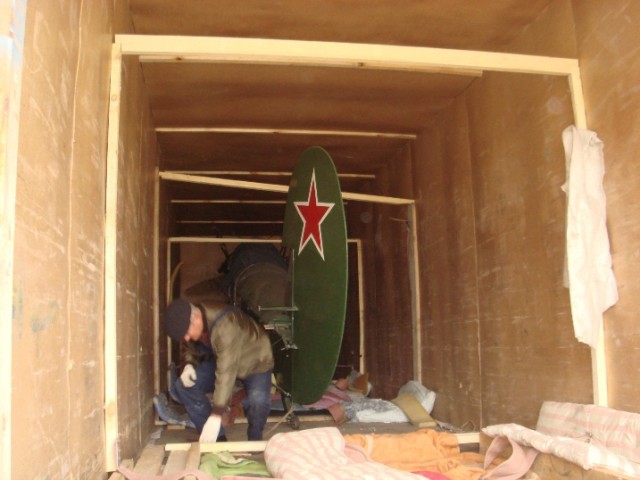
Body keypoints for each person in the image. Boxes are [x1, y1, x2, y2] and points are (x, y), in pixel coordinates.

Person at [163, 298, 274, 442]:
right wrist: (189, 364)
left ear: (195, 319)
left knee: (258, 401)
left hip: (256, 360)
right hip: (222, 358)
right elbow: (190, 347)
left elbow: (226, 372)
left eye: (187, 333)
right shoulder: (197, 319)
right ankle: (217, 439)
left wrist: (216, 414)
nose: (186, 338)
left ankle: (255, 440)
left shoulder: (225, 326)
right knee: (183, 386)